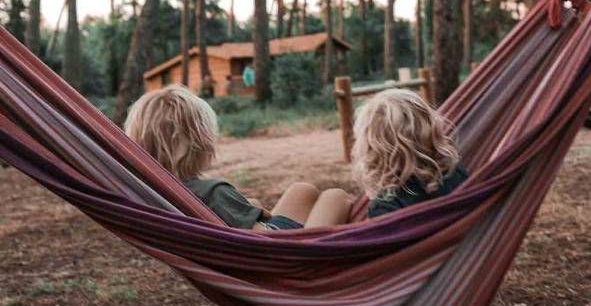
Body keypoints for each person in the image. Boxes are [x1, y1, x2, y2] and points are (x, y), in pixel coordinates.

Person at [125, 85, 352, 231]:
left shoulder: (159, 193)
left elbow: (231, 220)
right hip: (292, 254)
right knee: (336, 196)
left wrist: (248, 210)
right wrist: (255, 215)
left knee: (303, 189)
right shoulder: (213, 192)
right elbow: (265, 244)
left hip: (252, 248)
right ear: (201, 143)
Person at [352, 88, 468, 219]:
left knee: (334, 197)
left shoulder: (386, 205)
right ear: (432, 131)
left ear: (370, 149)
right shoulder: (457, 174)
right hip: (466, 237)